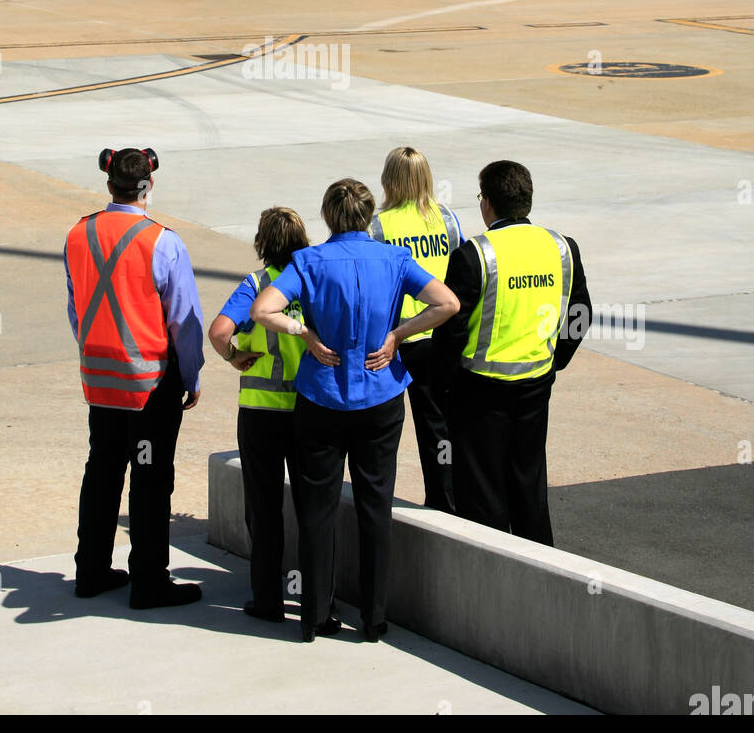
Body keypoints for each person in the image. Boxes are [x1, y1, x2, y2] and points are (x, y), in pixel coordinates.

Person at [251, 179, 459, 643]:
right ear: (369, 216)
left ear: (328, 217)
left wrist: (304, 332)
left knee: (317, 510)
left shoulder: (308, 261)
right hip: (380, 397)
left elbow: (265, 309)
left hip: (321, 397)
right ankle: (373, 618)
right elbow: (447, 303)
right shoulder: (395, 259)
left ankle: (313, 616)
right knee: (374, 505)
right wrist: (397, 336)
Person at [64, 146, 204, 608]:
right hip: (148, 387)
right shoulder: (163, 241)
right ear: (148, 185)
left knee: (101, 472)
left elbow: (76, 307)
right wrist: (192, 374)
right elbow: (183, 319)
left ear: (109, 184)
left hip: (99, 381)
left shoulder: (78, 234)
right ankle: (148, 581)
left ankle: (90, 572)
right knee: (149, 479)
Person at [431, 160, 592, 546]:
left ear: (487, 203)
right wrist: (556, 357)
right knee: (529, 489)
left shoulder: (475, 255)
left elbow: (450, 333)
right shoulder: (562, 248)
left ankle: (488, 578)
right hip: (536, 386)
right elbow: (581, 314)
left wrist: (444, 386)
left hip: (478, 393)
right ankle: (540, 570)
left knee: (482, 498)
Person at [208, 207, 310, 623]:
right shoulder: (313, 280)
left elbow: (218, 332)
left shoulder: (256, 285)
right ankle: (316, 597)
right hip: (309, 411)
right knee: (312, 508)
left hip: (261, 412)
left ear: (263, 243)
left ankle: (267, 599)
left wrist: (234, 357)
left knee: (264, 508)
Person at [369, 147, 463, 512]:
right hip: (438, 334)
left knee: (382, 430)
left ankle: (378, 498)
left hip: (395, 339)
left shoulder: (378, 226)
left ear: (387, 180)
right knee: (438, 428)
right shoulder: (449, 220)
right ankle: (444, 500)